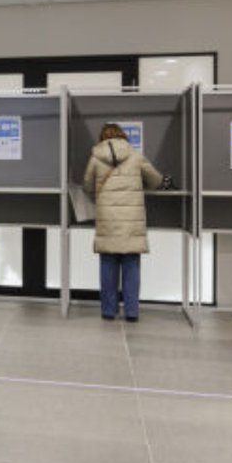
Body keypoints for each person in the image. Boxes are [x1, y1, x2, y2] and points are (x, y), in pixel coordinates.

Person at [83, 123, 164, 322]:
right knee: (131, 266)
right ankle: (132, 312)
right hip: (131, 223)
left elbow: (87, 185)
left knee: (108, 265)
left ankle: (108, 311)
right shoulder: (136, 156)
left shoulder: (96, 158)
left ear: (102, 137)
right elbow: (155, 180)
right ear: (123, 136)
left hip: (107, 220)